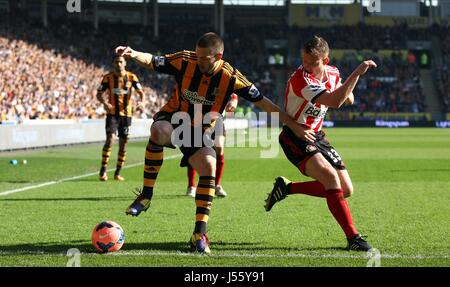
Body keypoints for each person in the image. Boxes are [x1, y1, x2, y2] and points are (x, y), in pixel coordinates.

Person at [115, 32, 310, 254]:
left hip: (198, 130)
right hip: (174, 117)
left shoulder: (231, 77)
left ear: (218, 56)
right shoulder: (186, 60)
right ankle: (146, 196)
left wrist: (294, 127)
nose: (198, 61)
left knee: (210, 166)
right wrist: (133, 53)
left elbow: (265, 104)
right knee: (158, 130)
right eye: (197, 56)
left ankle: (199, 233)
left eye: (203, 58)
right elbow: (153, 60)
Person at [264, 36, 376, 252]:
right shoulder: (301, 79)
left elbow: (343, 96)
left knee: (346, 189)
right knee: (330, 178)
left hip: (317, 135)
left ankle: (287, 188)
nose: (307, 67)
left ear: (325, 60)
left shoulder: (332, 73)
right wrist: (357, 74)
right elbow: (334, 101)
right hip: (294, 135)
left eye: (313, 63)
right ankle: (353, 238)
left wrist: (347, 93)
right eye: (304, 61)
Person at [96, 55, 145, 181]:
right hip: (112, 114)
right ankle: (103, 170)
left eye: (121, 62)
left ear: (125, 63)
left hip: (127, 115)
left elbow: (141, 93)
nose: (118, 64)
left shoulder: (131, 77)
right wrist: (105, 103)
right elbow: (99, 93)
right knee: (110, 139)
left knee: (123, 144)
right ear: (114, 63)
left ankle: (117, 172)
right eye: (116, 61)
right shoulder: (108, 77)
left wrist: (141, 102)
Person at [185, 93, 238, 198]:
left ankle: (216, 186)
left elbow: (233, 95)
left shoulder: (224, 80)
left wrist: (234, 101)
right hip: (199, 119)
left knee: (219, 149)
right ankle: (191, 186)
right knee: (196, 150)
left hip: (218, 120)